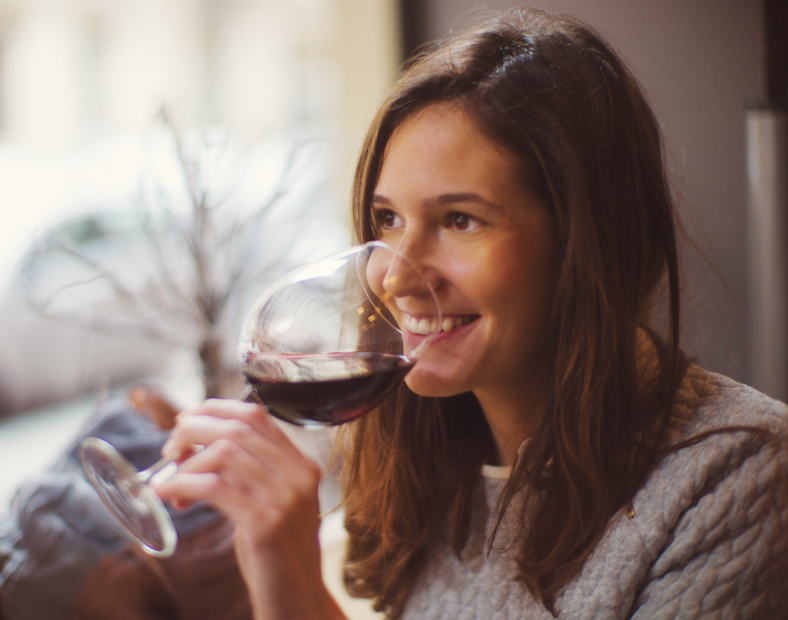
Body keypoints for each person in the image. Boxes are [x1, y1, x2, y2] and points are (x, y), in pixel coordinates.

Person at [149, 7, 788, 619]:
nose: (396, 275)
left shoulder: (740, 474)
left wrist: (291, 591)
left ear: (585, 244)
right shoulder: (421, 461)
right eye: (388, 219)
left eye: (460, 220)